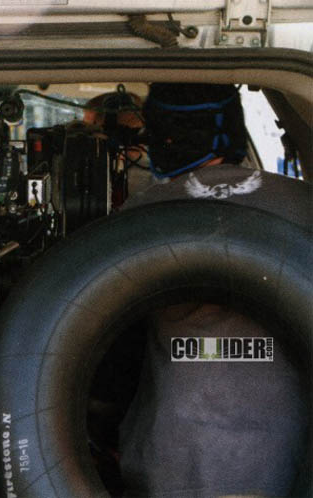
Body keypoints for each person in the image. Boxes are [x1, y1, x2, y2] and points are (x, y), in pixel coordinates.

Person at [117, 83, 310, 497]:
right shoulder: (303, 206)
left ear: (162, 136)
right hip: (287, 460)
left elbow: (104, 340)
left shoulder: (142, 214)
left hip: (174, 459)